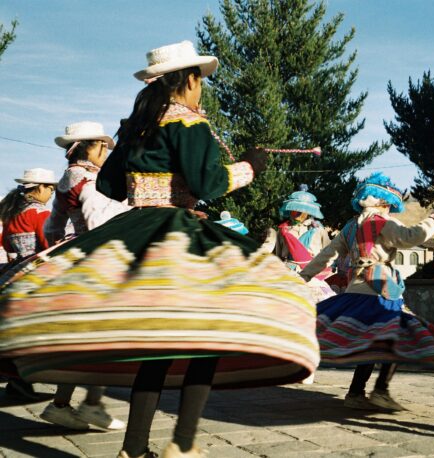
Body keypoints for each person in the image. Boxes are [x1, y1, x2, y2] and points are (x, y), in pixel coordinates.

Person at [0, 40, 318, 458]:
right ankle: (182, 444)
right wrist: (250, 167)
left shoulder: (136, 127)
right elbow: (210, 185)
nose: (202, 88)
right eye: (201, 80)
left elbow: (110, 185)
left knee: (161, 341)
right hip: (178, 231)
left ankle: (134, 449)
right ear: (188, 79)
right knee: (206, 334)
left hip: (136, 227)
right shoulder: (189, 123)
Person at [300, 172, 434, 411]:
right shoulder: (384, 223)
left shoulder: (349, 228)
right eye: (389, 204)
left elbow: (326, 257)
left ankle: (357, 393)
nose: (389, 208)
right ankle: (380, 390)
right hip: (380, 290)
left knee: (371, 341)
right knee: (395, 338)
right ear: (384, 201)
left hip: (355, 289)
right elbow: (413, 237)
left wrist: (302, 277)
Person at [38, 121, 130, 431]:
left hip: (73, 260)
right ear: (92, 147)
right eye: (104, 146)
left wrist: (57, 250)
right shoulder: (89, 179)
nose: (106, 152)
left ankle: (65, 404)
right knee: (104, 339)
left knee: (86, 340)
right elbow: (97, 222)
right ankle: (90, 404)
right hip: (96, 262)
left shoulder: (67, 179)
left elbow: (52, 227)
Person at [0, 169, 57, 402]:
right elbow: (48, 243)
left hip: (15, 272)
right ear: (40, 187)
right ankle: (24, 380)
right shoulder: (39, 212)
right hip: (36, 274)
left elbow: (8, 246)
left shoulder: (13, 212)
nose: (51, 194)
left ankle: (18, 380)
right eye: (50, 189)